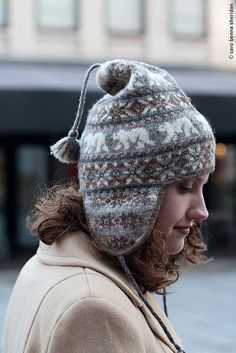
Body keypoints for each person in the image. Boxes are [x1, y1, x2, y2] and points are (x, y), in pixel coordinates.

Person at [3, 59, 215, 353]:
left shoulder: (57, 261)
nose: (202, 210)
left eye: (203, 186)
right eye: (185, 187)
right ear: (129, 191)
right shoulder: (94, 310)